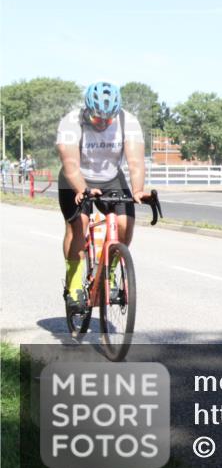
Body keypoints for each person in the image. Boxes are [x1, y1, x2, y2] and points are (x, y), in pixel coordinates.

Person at [55, 82, 148, 311]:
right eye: (98, 118)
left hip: (110, 178)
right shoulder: (70, 122)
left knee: (125, 224)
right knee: (80, 225)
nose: (104, 123)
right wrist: (82, 189)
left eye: (109, 119)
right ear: (87, 109)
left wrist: (137, 190)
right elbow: (70, 165)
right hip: (76, 178)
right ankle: (74, 285)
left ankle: (109, 273)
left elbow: (135, 162)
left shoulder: (129, 122)